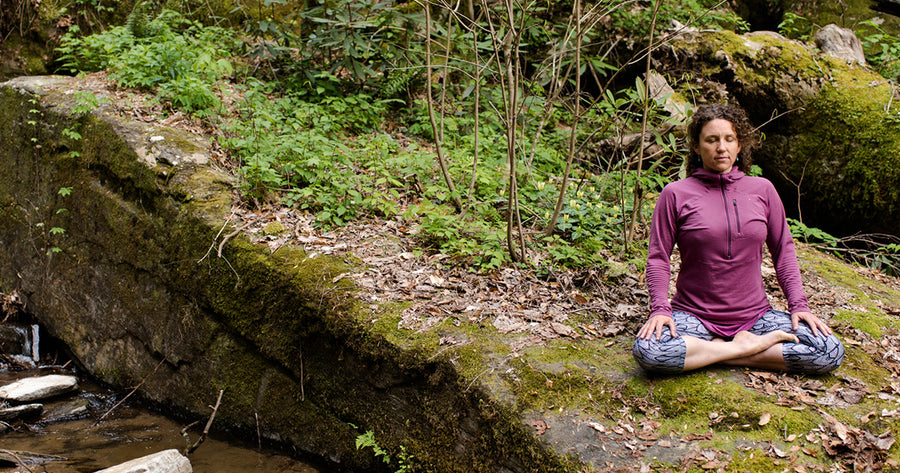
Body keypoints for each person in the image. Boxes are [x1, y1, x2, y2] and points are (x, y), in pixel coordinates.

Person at [632, 104, 844, 374]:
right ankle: (744, 348)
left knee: (829, 350)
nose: (722, 147)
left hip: (756, 317)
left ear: (740, 144)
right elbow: (659, 257)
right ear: (697, 147)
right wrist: (660, 309)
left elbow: (784, 251)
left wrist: (798, 305)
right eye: (711, 140)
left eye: (729, 139)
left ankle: (713, 353)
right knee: (649, 351)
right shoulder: (676, 194)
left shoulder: (762, 190)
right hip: (694, 317)